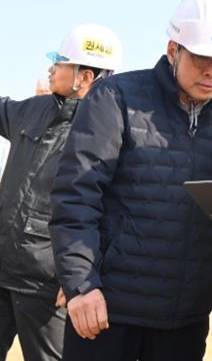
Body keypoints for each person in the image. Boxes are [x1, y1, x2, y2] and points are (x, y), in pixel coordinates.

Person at [49, 0, 212, 361]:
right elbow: (76, 196)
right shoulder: (116, 98)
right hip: (105, 309)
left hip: (184, 320)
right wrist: (80, 282)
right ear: (173, 50)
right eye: (201, 58)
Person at [0, 23, 122, 361]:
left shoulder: (110, 131)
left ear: (85, 76)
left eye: (59, 62)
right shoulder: (31, 110)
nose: (51, 69)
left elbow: (112, 212)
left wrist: (81, 279)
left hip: (49, 285)